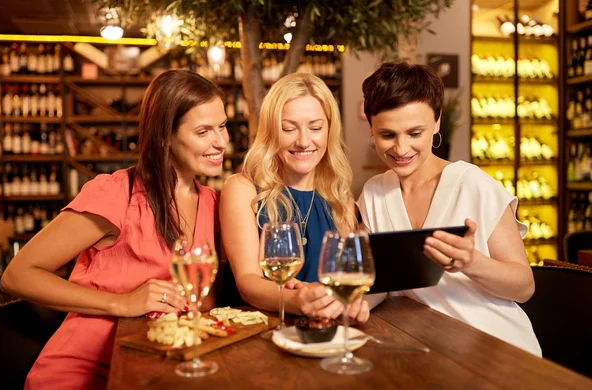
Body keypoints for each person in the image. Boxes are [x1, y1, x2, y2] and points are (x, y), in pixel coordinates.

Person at [0, 69, 229, 388]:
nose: (221, 142)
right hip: (87, 369)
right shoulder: (117, 193)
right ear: (165, 136)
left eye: (222, 126)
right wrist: (121, 302)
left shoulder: (215, 204)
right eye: (204, 131)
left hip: (161, 370)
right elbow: (17, 275)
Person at [357, 62, 541, 356]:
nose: (401, 149)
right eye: (387, 135)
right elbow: (381, 282)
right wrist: (353, 303)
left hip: (498, 348)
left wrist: (472, 263)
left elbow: (524, 287)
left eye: (415, 133)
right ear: (372, 128)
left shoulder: (474, 185)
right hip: (428, 345)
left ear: (437, 122)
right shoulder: (374, 194)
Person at [220, 73, 382, 324]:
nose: (304, 141)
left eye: (316, 128)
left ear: (329, 130)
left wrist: (358, 301)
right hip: (258, 337)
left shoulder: (341, 198)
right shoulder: (242, 189)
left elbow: (359, 281)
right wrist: (297, 301)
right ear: (271, 131)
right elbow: (247, 282)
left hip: (325, 335)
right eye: (288, 128)